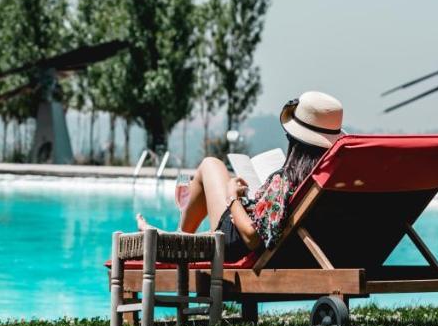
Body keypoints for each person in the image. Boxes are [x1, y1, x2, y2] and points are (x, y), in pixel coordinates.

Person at [139, 91, 344, 261]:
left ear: (294, 140)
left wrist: (233, 198)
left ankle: (175, 245)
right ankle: (174, 239)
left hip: (235, 244)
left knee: (211, 164)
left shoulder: (286, 181)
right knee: (216, 169)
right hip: (300, 251)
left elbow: (252, 237)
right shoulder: (330, 181)